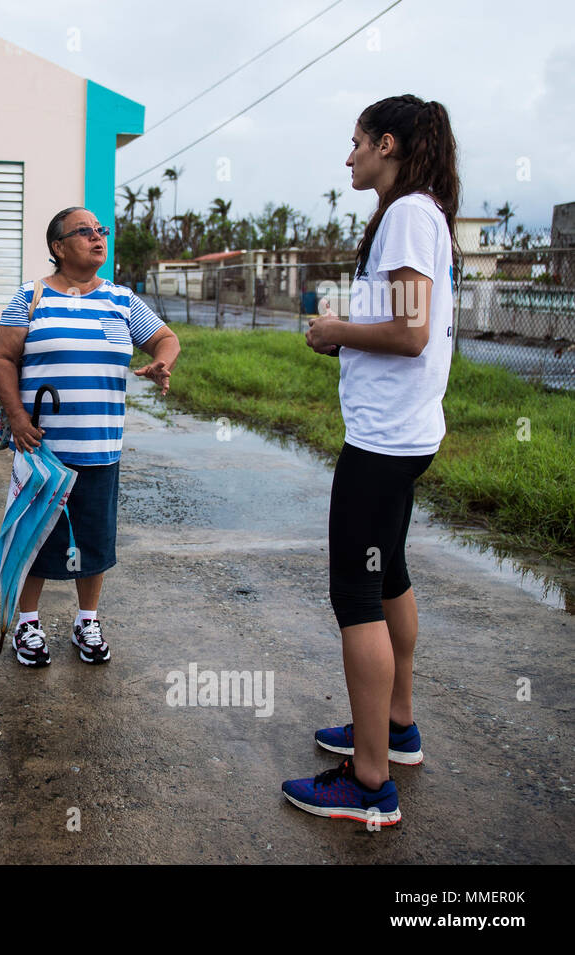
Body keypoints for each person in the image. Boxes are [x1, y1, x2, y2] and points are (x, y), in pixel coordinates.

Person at [284, 95, 460, 825]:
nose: (349, 155)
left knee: (356, 596)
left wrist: (334, 331)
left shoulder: (410, 213)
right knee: (390, 575)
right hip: (403, 433)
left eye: (356, 142)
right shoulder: (416, 211)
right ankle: (394, 726)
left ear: (387, 144)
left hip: (384, 442)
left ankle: (369, 784)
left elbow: (413, 331)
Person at [0, 206, 180, 666]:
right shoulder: (31, 297)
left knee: (94, 541)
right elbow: (1, 357)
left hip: (100, 448)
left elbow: (165, 338)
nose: (98, 238)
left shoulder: (120, 300)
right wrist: (15, 415)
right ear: (58, 247)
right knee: (32, 536)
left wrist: (162, 362)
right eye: (85, 232)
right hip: (42, 450)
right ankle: (28, 623)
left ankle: (86, 620)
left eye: (101, 231)